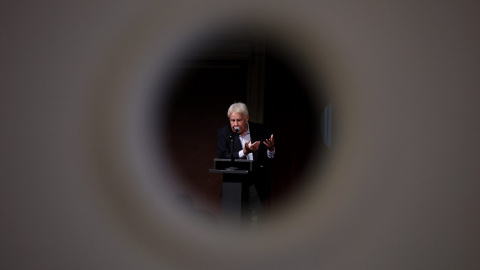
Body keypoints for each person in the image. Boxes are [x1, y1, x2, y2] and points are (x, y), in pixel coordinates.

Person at [217, 102, 275, 225]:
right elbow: (223, 157)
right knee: (234, 222)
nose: (235, 124)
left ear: (246, 118)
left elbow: (269, 159)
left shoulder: (260, 131)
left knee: (255, 221)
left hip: (255, 182)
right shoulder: (225, 133)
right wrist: (243, 152)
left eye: (239, 120)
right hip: (233, 184)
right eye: (232, 120)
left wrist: (271, 150)